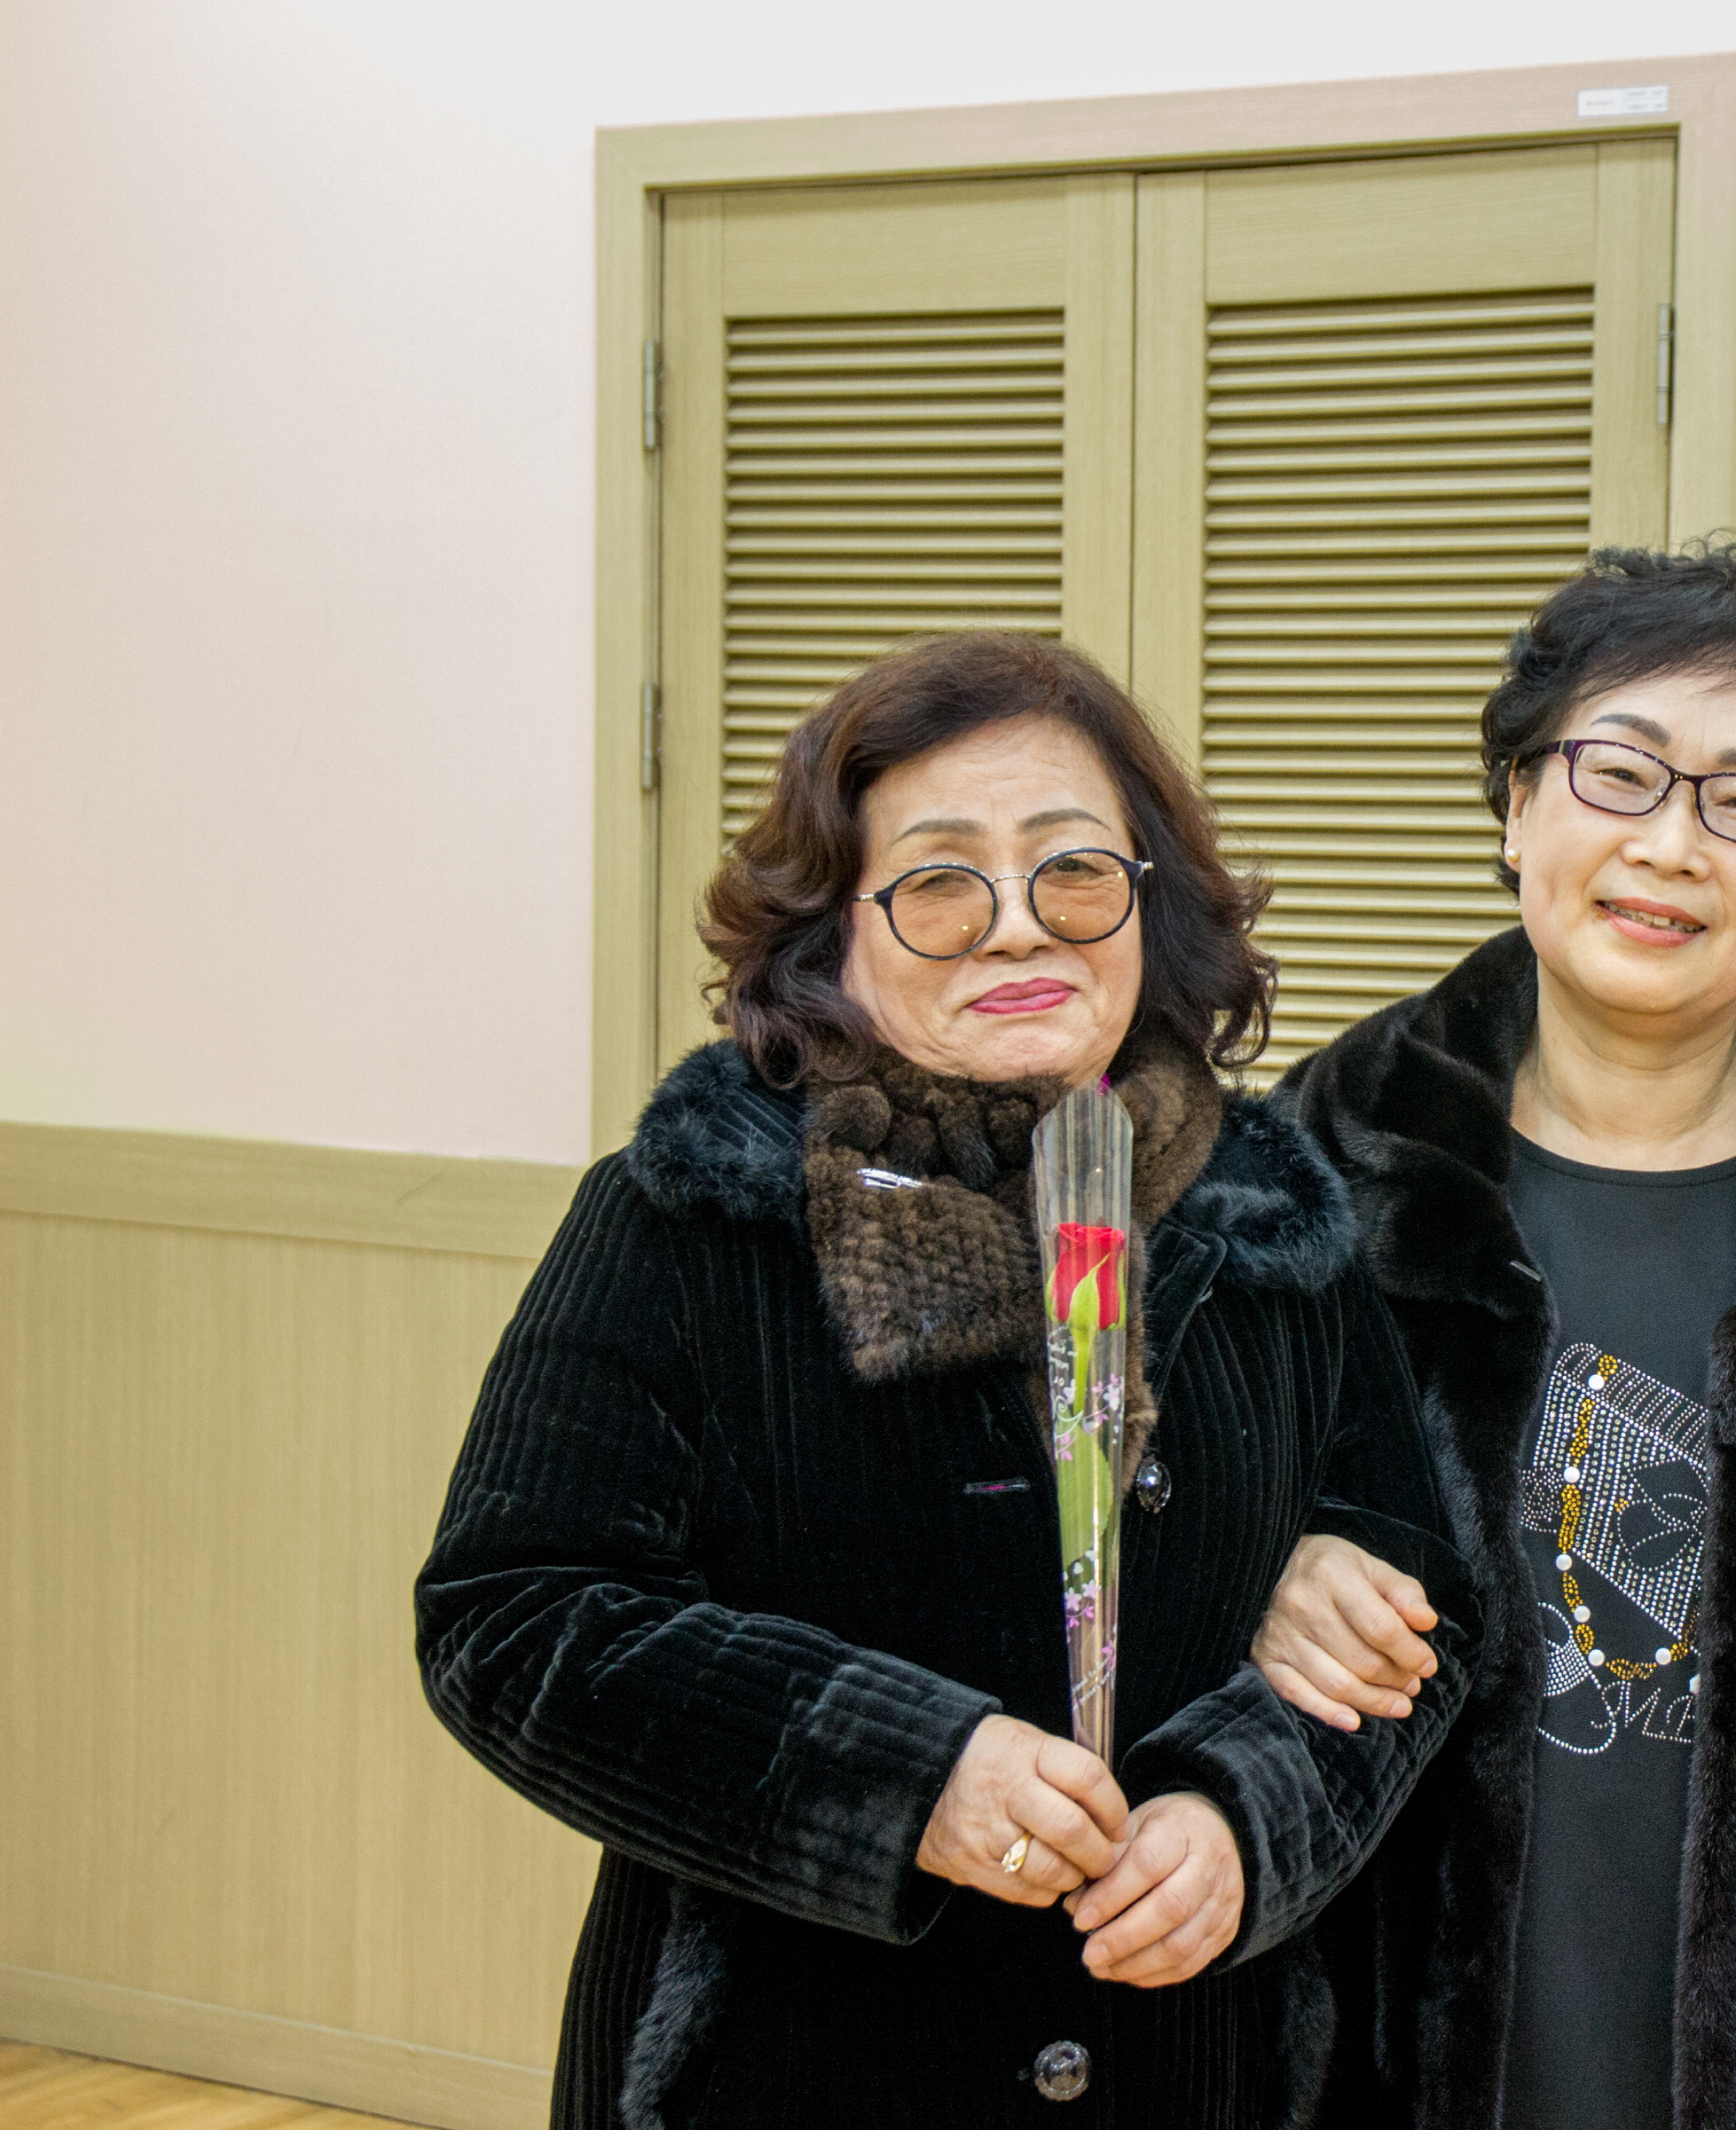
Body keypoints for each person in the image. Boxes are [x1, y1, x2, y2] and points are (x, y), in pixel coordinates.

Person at [415, 632, 1476, 2130]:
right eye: (936, 883)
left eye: (1074, 871)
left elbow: (1422, 1612)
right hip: (786, 2070)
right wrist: (909, 1775)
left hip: (1189, 2063)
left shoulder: (1268, 1220)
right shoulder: (693, 1214)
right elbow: (512, 1616)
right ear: (829, 938)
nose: (1017, 928)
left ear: (1149, 905)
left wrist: (1244, 1818)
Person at [1257, 541, 1736, 2130]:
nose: (1669, 844)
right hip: (1377, 2043)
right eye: (1618, 773)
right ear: (1515, 803)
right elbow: (1181, 1540)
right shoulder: (1328, 1150)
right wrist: (1268, 1574)